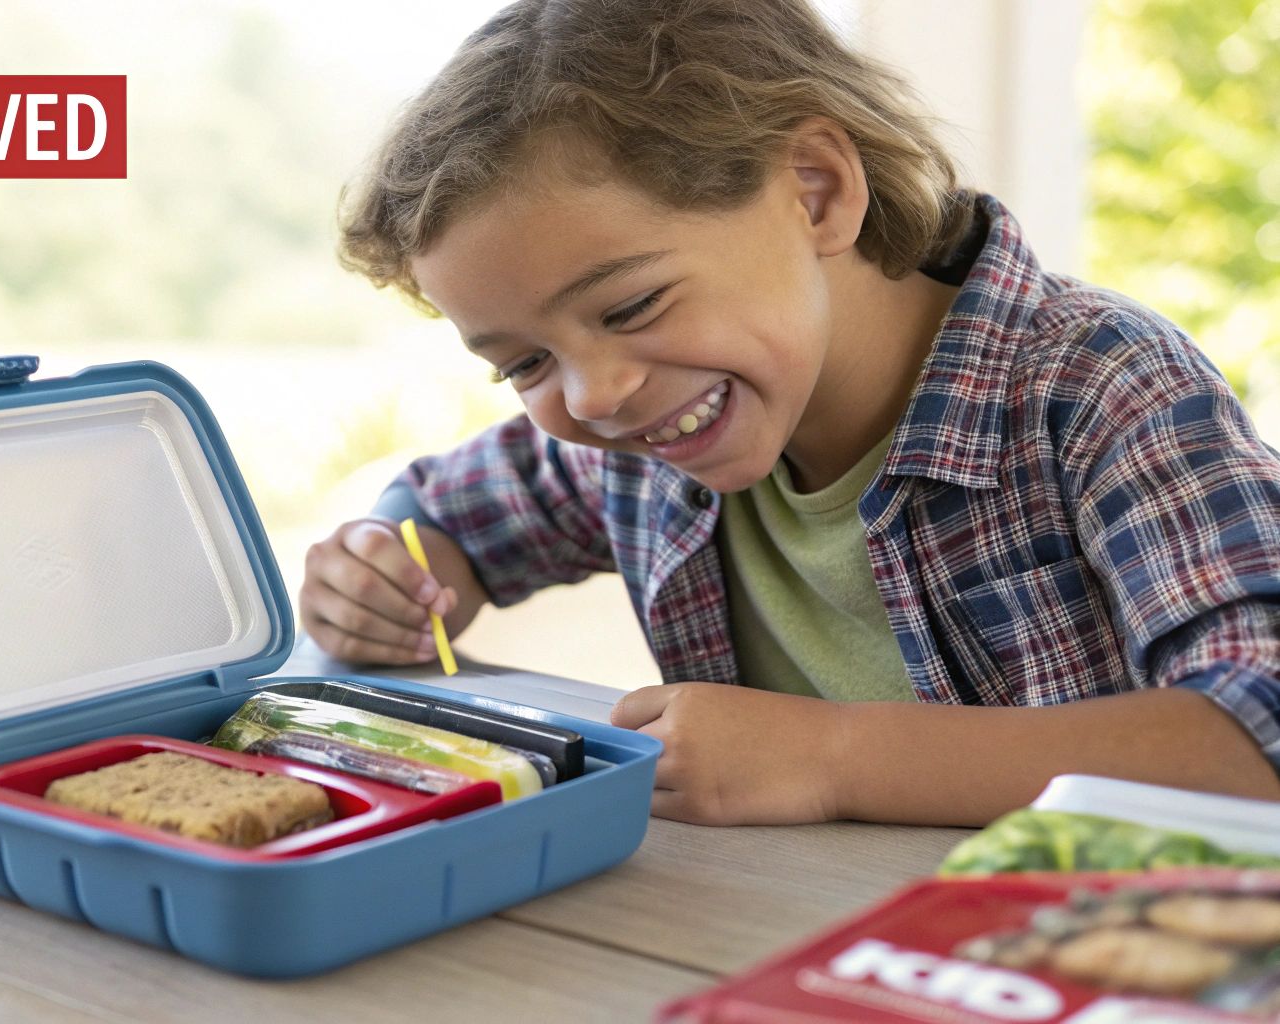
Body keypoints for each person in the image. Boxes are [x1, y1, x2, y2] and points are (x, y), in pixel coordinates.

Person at [299, 0, 1280, 827]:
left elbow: (1254, 730)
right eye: (523, 361)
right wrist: (388, 574)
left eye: (630, 305)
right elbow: (444, 522)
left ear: (813, 194)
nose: (592, 395)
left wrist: (831, 756)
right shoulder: (642, 436)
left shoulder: (1099, 385)